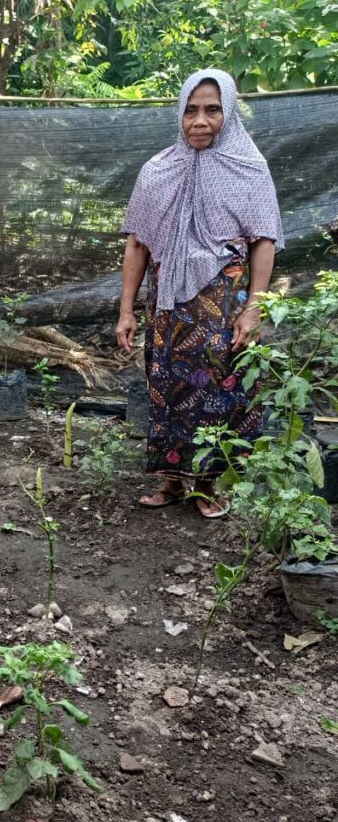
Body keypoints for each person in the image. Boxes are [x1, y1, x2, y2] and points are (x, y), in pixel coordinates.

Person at [115, 68, 283, 518]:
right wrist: (126, 310)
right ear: (179, 114)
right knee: (166, 384)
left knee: (218, 387)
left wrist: (254, 310)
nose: (200, 121)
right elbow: (138, 243)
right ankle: (170, 479)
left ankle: (209, 484)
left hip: (223, 302)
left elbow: (263, 241)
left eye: (212, 110)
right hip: (168, 301)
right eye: (191, 110)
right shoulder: (158, 170)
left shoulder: (249, 168)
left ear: (227, 113)